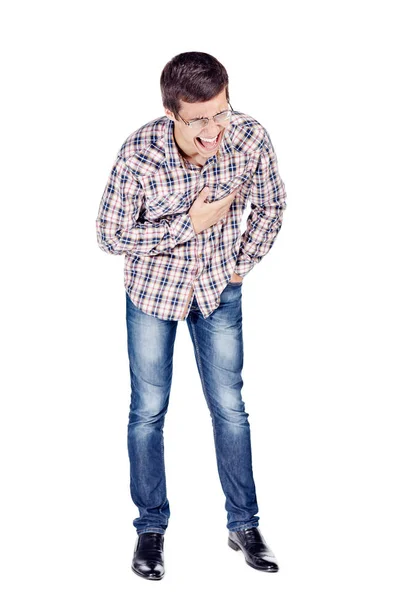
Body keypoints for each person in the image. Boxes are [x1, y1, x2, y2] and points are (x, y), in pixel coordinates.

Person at [96, 51, 287, 580]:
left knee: (230, 407)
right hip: (153, 296)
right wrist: (190, 223)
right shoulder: (139, 154)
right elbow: (110, 235)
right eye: (198, 118)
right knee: (148, 411)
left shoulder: (249, 139)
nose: (213, 130)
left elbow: (272, 206)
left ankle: (243, 524)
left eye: (220, 112)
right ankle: (150, 528)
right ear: (171, 114)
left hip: (218, 291)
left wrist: (240, 267)